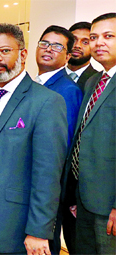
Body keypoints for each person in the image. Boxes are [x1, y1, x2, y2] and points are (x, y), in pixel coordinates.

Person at [0, 23, 67, 254]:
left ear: (23, 54)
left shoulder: (46, 102)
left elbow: (47, 174)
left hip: (11, 226)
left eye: (5, 51)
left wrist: (39, 230)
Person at [69, 12, 116, 254]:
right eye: (94, 37)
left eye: (108, 36)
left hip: (110, 205)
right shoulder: (93, 81)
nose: (99, 43)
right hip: (84, 199)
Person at [35, 24, 84, 255]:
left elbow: (62, 147)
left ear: (67, 55)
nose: (48, 49)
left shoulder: (67, 89)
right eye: (44, 43)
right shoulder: (34, 83)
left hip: (47, 187)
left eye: (57, 46)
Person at [66, 21, 101, 92]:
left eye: (85, 42)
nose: (77, 46)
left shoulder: (98, 80)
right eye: (73, 40)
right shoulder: (53, 74)